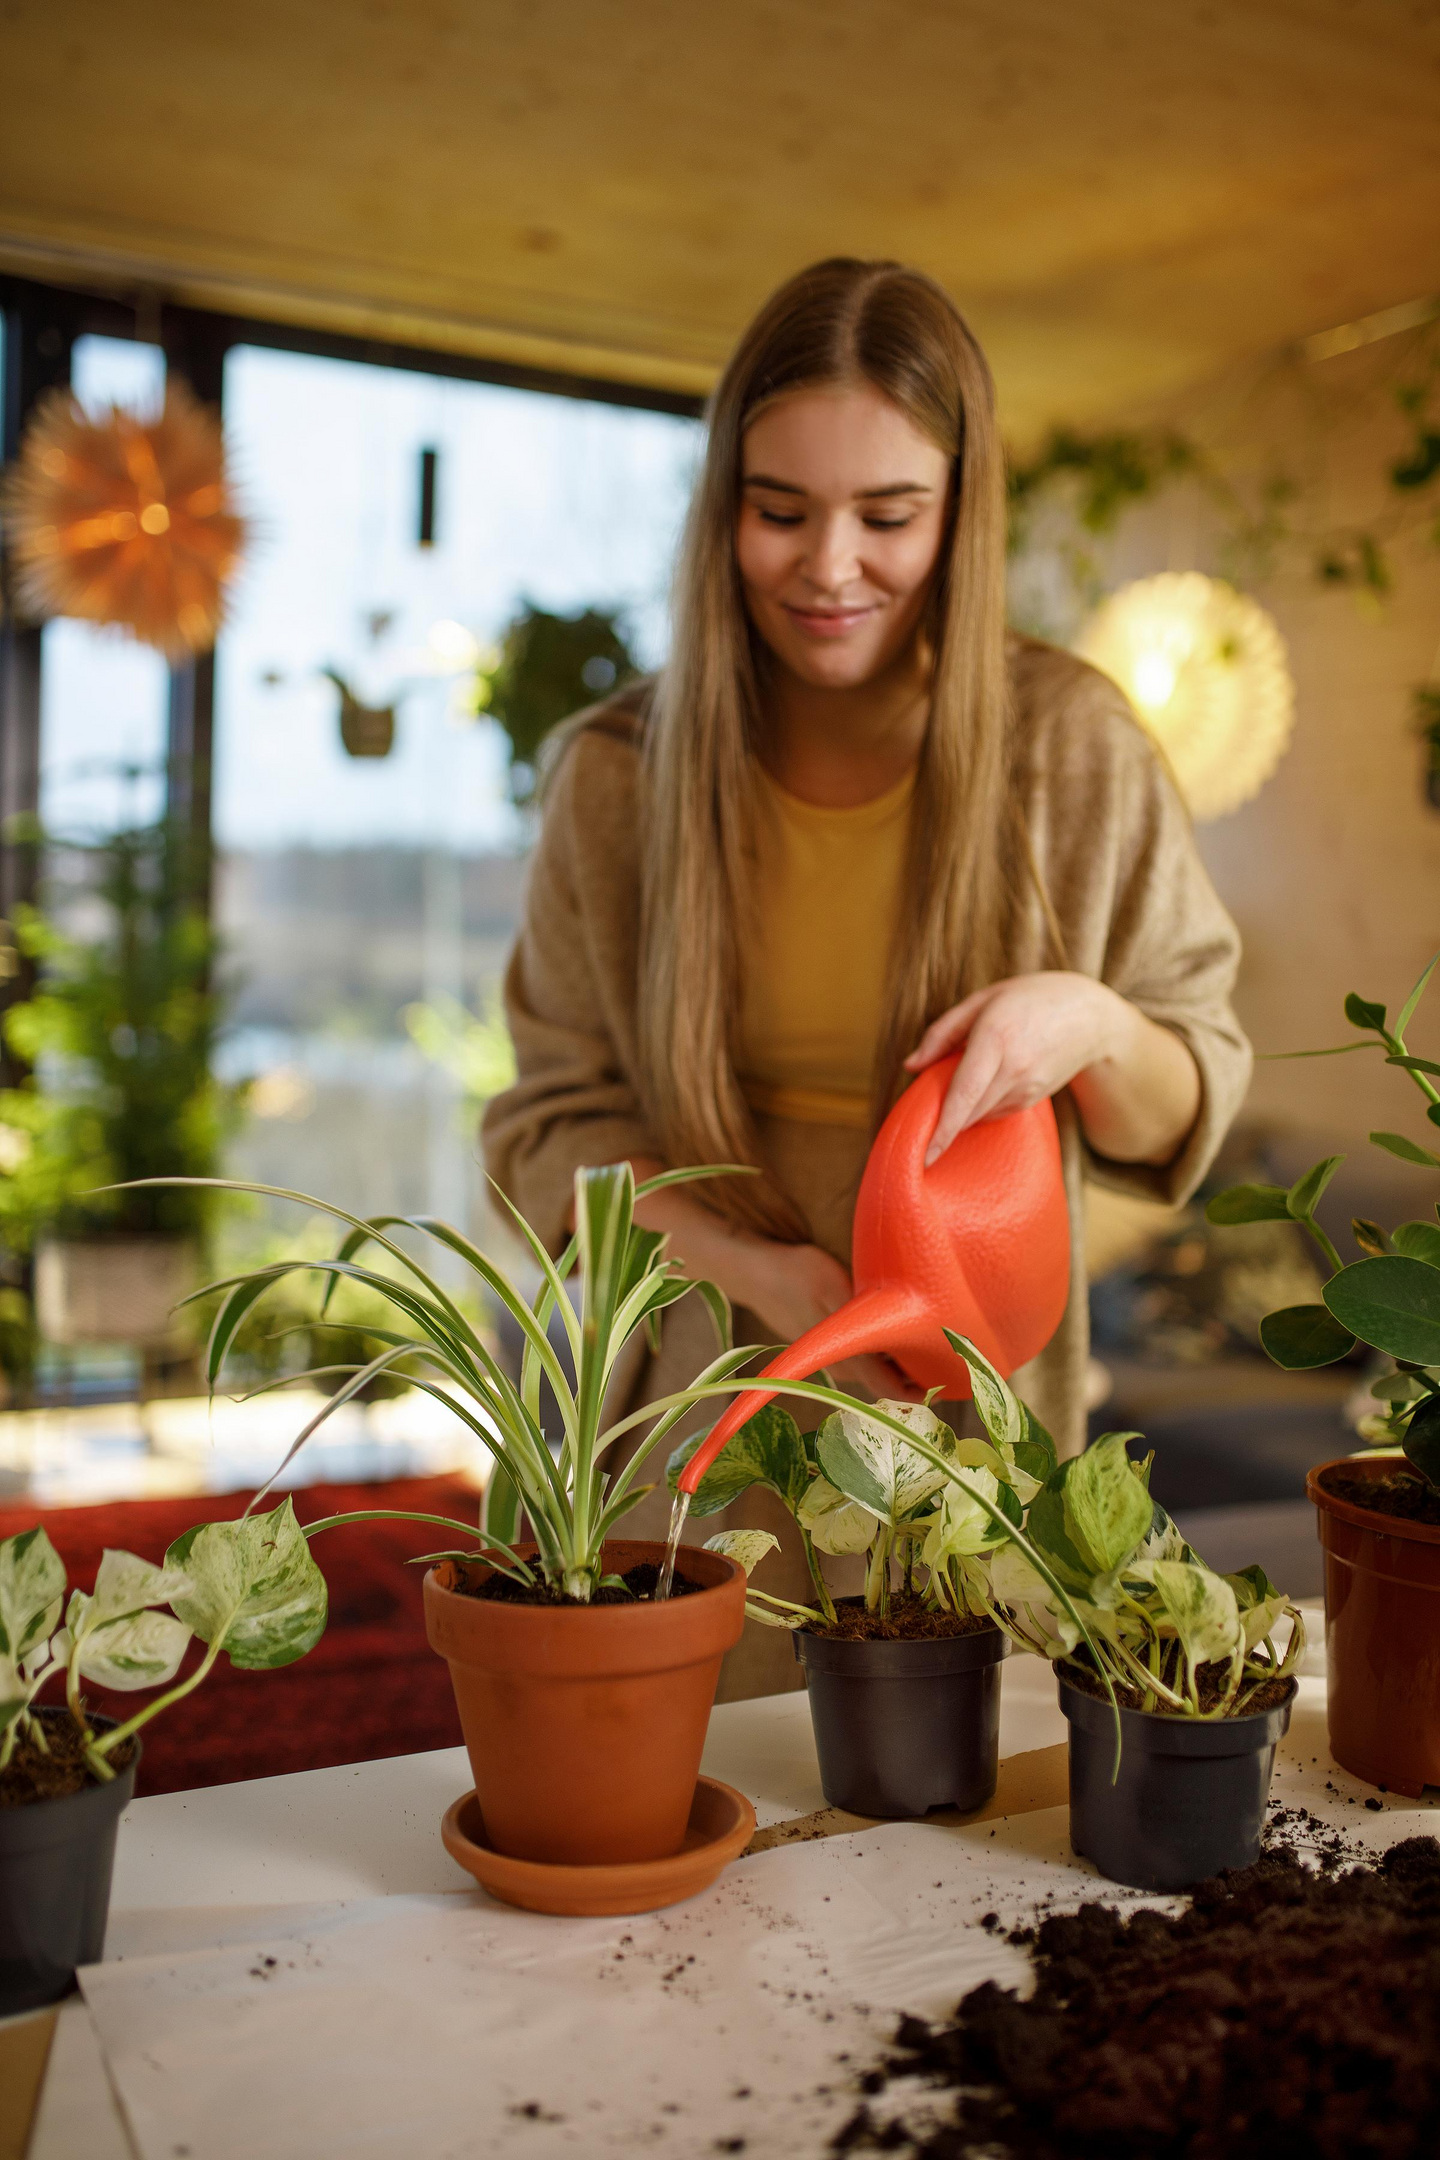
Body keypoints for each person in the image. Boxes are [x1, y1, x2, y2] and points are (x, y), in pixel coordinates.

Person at [483, 258, 1250, 1695]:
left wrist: (1089, 1019)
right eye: (781, 512)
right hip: (697, 1405)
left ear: (960, 513)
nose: (830, 566)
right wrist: (769, 1277)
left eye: (889, 515)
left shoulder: (1072, 751)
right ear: (723, 511)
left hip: (967, 1421)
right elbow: (543, 1135)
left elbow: (1175, 1114)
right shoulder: (614, 779)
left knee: (958, 1876)